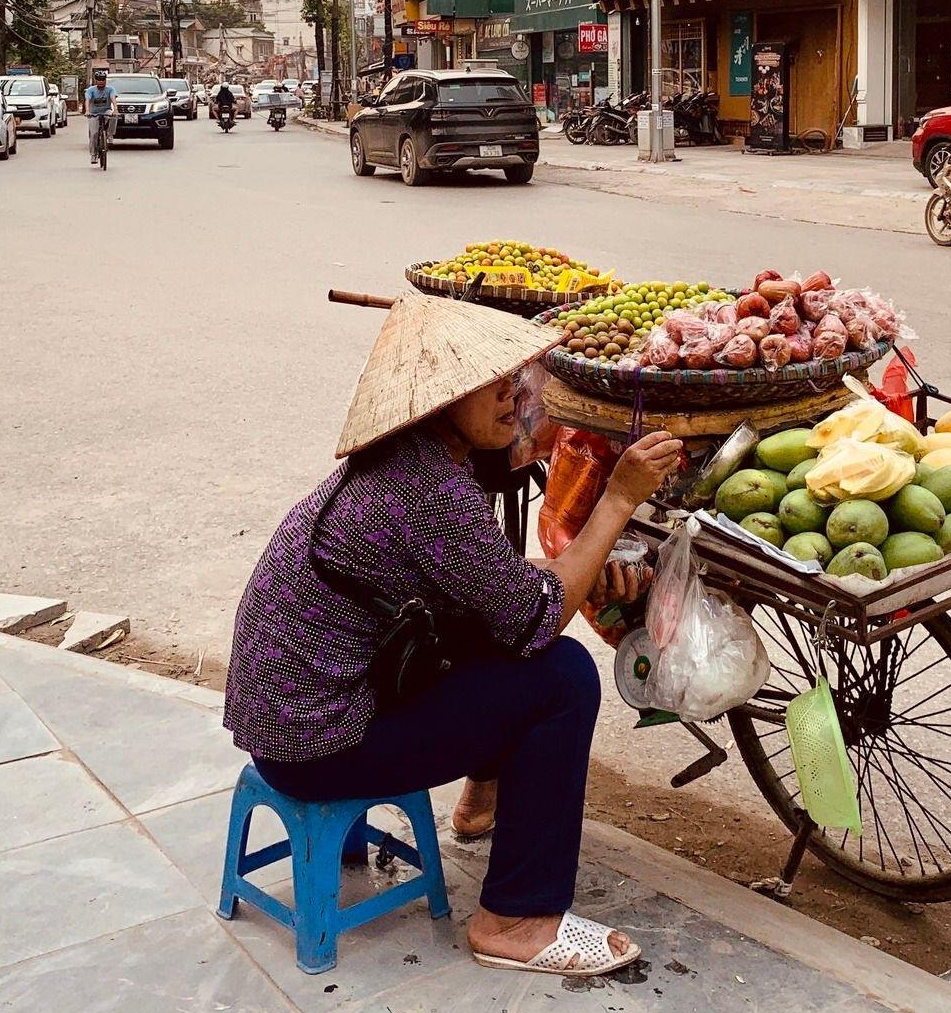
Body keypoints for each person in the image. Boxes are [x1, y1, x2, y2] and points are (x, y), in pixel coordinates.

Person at [224, 293, 682, 978]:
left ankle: (479, 803)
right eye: (486, 385)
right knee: (562, 676)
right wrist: (618, 499)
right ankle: (516, 919)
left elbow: (494, 588)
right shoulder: (428, 489)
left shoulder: (405, 461)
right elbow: (535, 617)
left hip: (297, 714)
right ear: (439, 399)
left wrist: (575, 568)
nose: (510, 396)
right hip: (314, 745)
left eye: (510, 380)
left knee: (504, 635)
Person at [85, 66, 116, 164]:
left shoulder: (110, 89)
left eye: (103, 80)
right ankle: (93, 155)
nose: (101, 82)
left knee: (114, 116)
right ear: (96, 80)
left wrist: (116, 109)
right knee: (93, 134)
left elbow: (113, 99)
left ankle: (110, 135)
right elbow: (87, 100)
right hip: (94, 114)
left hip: (106, 111)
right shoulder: (91, 90)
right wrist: (87, 111)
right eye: (99, 80)